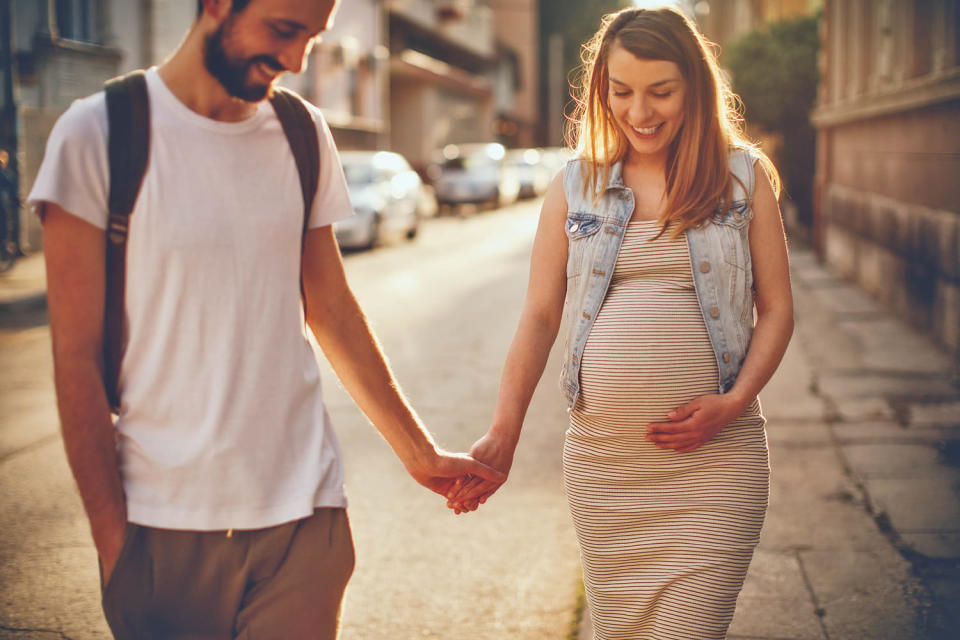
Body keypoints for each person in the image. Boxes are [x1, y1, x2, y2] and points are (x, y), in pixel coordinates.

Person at [28, 0, 503, 637]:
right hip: (162, 530)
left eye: (312, 37)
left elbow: (331, 309)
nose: (295, 59)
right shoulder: (99, 134)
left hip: (304, 523)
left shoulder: (301, 132)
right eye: (284, 30)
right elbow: (75, 361)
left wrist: (418, 454)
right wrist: (116, 547)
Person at [449, 7, 794, 639]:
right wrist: (503, 434)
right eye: (623, 91)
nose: (641, 112)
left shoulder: (743, 179)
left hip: (715, 467)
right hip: (606, 471)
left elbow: (776, 309)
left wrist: (736, 400)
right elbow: (539, 315)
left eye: (661, 91)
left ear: (694, 84)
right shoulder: (575, 186)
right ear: (602, 91)